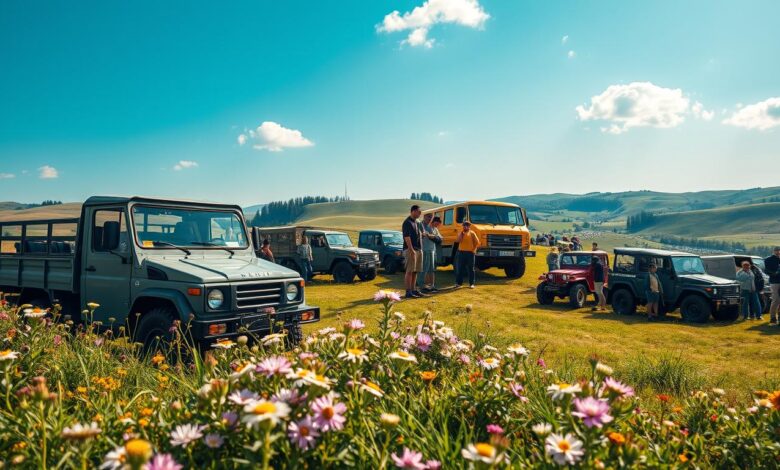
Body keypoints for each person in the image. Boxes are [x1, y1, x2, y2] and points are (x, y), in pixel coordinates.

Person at [402, 205, 424, 299]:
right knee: (410, 270)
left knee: (415, 271)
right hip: (411, 250)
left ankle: (413, 290)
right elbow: (407, 237)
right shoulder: (407, 222)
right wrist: (411, 250)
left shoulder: (417, 222)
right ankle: (408, 292)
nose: (420, 214)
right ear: (413, 211)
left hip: (418, 249)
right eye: (419, 212)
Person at [417, 214, 442, 292]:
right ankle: (421, 286)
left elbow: (440, 239)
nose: (429, 219)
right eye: (428, 217)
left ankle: (432, 285)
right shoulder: (421, 225)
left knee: (432, 269)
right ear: (424, 217)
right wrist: (432, 236)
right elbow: (424, 235)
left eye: (431, 217)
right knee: (424, 269)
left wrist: (432, 236)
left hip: (432, 250)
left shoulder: (433, 227)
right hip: (424, 250)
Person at [455, 221, 480, 289]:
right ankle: (459, 283)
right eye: (464, 225)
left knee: (471, 269)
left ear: (469, 226)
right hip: (461, 253)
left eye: (467, 225)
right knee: (460, 268)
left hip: (470, 253)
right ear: (462, 226)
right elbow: (457, 241)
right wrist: (461, 234)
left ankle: (471, 283)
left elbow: (477, 242)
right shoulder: (460, 233)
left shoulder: (472, 233)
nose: (465, 227)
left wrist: (474, 250)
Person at [764, 246, 780, 325]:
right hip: (774, 282)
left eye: (779, 251)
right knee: (776, 300)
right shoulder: (768, 259)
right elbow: (766, 270)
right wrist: (774, 274)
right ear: (774, 251)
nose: (778, 252)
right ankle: (773, 318)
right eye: (777, 251)